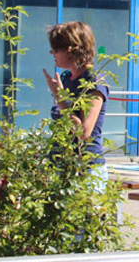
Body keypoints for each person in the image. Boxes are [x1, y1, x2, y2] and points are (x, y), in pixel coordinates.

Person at [42, 21, 108, 179]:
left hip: (85, 168)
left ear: (73, 50)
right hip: (63, 165)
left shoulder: (93, 82)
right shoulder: (66, 78)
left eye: (57, 49)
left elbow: (84, 133)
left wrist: (61, 98)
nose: (52, 53)